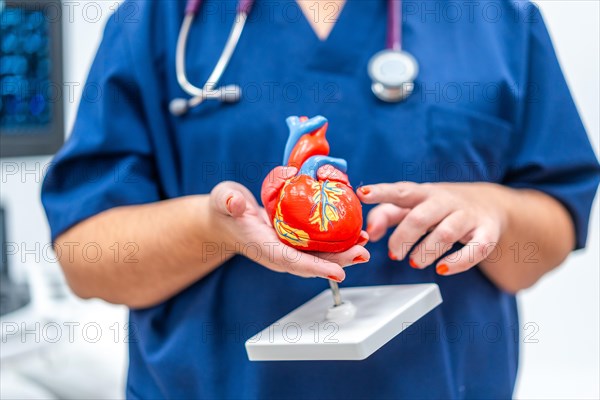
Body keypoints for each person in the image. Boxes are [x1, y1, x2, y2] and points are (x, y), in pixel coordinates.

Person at [42, 0, 599, 398]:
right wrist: (212, 228)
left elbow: (556, 225)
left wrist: (496, 210)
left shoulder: (495, 17)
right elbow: (87, 262)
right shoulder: (154, 20)